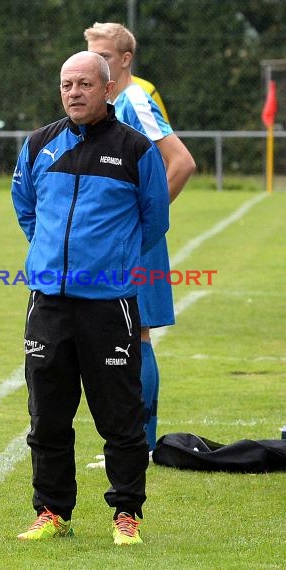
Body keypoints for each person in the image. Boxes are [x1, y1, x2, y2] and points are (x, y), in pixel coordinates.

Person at [11, 51, 170, 545]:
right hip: (49, 303)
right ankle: (53, 511)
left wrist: (111, 261)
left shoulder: (136, 150)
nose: (74, 92)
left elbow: (154, 219)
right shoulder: (40, 144)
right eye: (66, 84)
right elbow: (25, 208)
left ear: (107, 89)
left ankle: (127, 514)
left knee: (119, 417)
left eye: (84, 83)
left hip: (109, 304)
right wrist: (50, 255)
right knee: (47, 415)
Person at [84, 22, 196, 451]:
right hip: (118, 241)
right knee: (122, 333)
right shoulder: (110, 103)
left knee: (138, 333)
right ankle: (134, 442)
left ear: (125, 60)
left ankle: (141, 445)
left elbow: (181, 162)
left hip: (136, 242)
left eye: (106, 58)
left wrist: (144, 221)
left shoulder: (134, 98)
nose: (99, 65)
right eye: (94, 56)